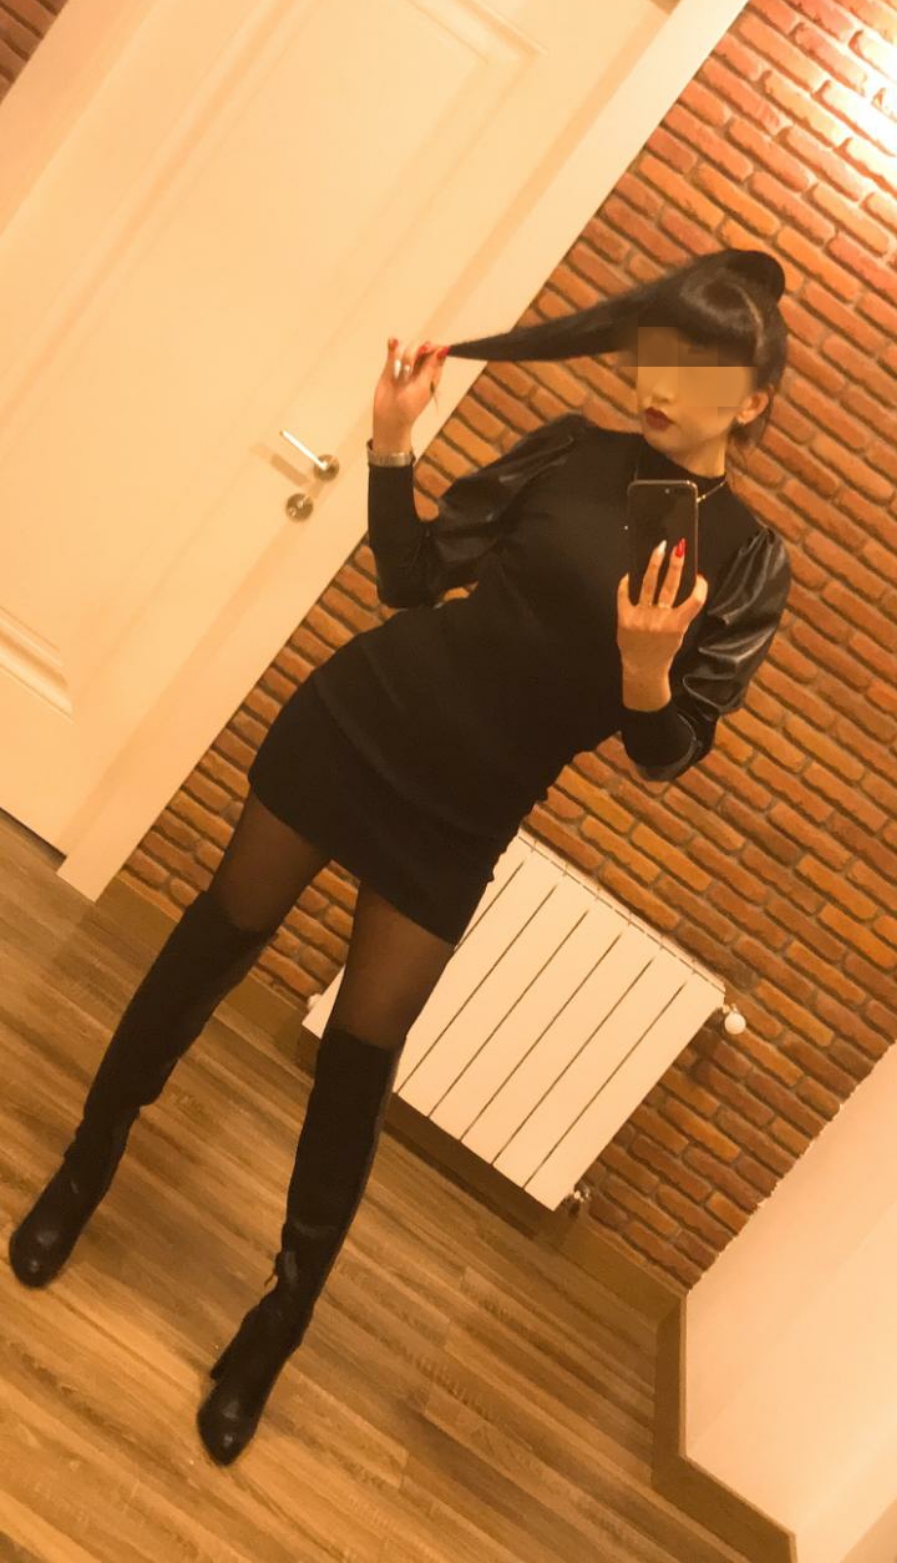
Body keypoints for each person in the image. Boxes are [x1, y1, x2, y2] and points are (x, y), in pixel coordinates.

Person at [8, 247, 792, 1467]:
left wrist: (645, 676)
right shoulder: (571, 449)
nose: (655, 381)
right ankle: (79, 1172)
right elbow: (411, 580)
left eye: (693, 367)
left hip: (462, 814)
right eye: (650, 349)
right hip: (358, 721)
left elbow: (668, 753)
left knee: (360, 1056)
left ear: (751, 400)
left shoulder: (745, 559)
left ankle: (274, 1324)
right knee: (213, 942)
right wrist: (390, 445)